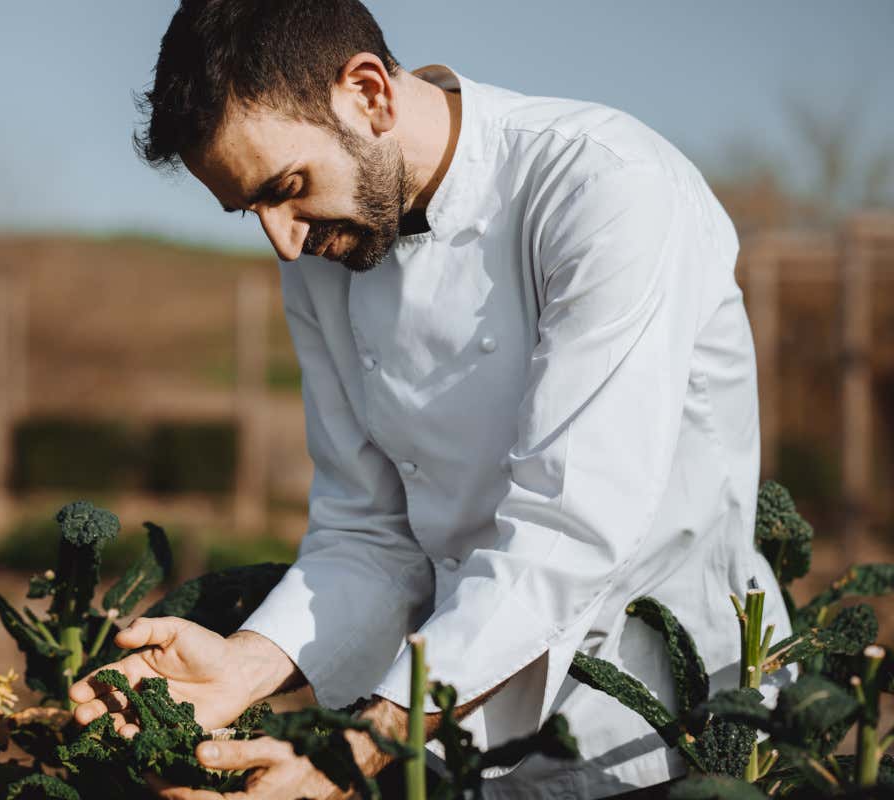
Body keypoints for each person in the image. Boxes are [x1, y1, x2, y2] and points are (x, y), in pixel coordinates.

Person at [69, 1, 794, 797]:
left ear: (369, 93)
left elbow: (569, 527)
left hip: (662, 734)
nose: (282, 240)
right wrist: (248, 662)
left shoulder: (603, 187)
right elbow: (368, 533)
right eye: (253, 211)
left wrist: (362, 744)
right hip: (459, 733)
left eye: (288, 187)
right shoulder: (323, 254)